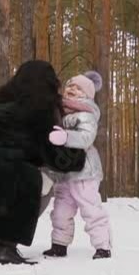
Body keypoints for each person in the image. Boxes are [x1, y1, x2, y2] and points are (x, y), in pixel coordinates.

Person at [0, 60, 86, 265]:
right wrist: (80, 153)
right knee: (41, 183)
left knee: (24, 175)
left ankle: (4, 243)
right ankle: (6, 245)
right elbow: (57, 158)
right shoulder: (40, 109)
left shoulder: (7, 105)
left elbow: (21, 146)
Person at [43, 71, 112, 260]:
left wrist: (66, 137)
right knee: (60, 210)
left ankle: (103, 246)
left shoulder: (86, 113)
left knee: (91, 208)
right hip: (64, 172)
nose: (72, 89)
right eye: (70, 86)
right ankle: (59, 244)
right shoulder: (59, 111)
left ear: (87, 94)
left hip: (84, 172)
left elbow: (86, 137)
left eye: (78, 88)